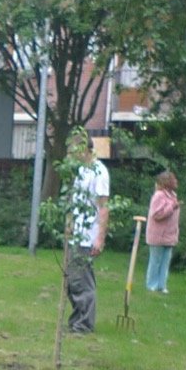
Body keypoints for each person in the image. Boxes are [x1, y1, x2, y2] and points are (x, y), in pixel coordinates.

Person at [64, 137, 111, 335]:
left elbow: (103, 206)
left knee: (82, 281)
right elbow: (75, 201)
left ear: (85, 149)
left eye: (74, 150)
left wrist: (100, 238)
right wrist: (70, 223)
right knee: (72, 280)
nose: (72, 155)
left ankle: (84, 324)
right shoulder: (81, 171)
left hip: (88, 235)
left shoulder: (99, 172)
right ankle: (77, 319)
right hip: (76, 234)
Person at [144, 170, 179, 294]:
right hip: (158, 235)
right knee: (156, 261)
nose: (176, 181)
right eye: (173, 179)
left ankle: (162, 285)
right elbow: (156, 214)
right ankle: (151, 285)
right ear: (167, 182)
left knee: (165, 261)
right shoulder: (159, 195)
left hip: (170, 235)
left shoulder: (173, 195)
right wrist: (172, 207)